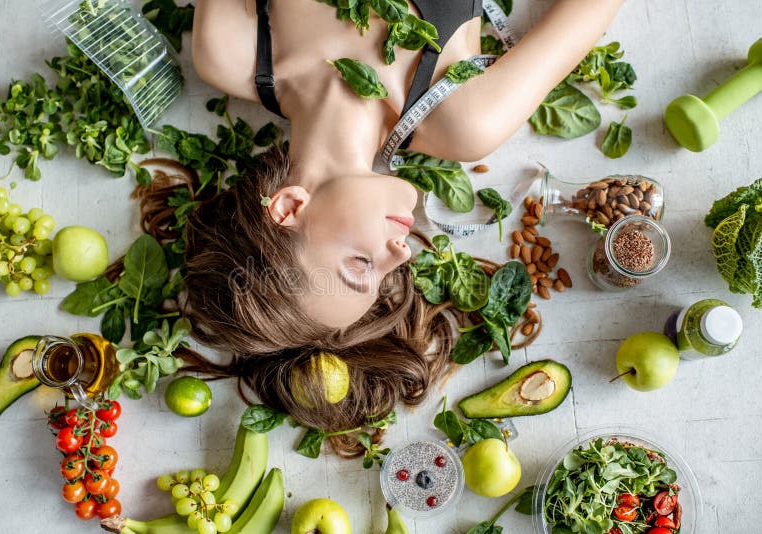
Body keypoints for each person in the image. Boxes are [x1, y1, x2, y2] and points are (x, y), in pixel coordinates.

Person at [177, 0, 625, 455]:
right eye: (382, 275)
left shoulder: (227, 49)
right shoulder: (466, 121)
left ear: (290, 207)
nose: (402, 253)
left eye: (359, 263)